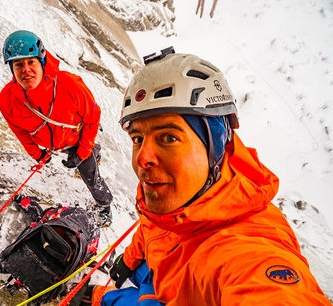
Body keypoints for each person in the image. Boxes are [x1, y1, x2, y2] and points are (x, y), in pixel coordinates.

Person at [76, 47, 332, 305]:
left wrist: (102, 300)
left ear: (216, 146)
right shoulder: (177, 193)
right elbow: (153, 227)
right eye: (137, 138)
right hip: (159, 269)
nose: (143, 158)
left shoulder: (244, 250)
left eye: (169, 137)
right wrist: (130, 259)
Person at [0, 30, 113, 226]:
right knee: (87, 159)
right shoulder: (8, 100)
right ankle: (93, 151)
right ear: (12, 69)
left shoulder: (70, 85)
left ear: (42, 61)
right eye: (18, 64)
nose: (25, 69)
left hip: (76, 139)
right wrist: (37, 154)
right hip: (55, 143)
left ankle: (105, 206)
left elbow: (92, 118)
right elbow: (20, 131)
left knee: (91, 177)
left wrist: (83, 151)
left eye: (31, 62)